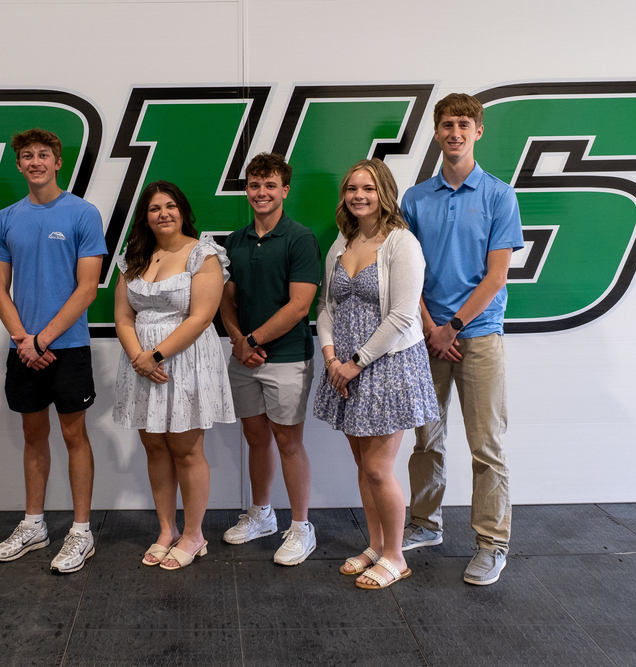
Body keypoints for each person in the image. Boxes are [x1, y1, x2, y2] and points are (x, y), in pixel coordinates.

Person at [401, 93, 524, 586]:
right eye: (447, 124)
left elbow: (496, 277)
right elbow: (405, 277)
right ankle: (426, 524)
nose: (455, 132)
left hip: (478, 338)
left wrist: (452, 328)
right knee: (426, 440)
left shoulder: (499, 195)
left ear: (478, 132)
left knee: (486, 447)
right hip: (426, 336)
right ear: (436, 132)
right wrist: (432, 327)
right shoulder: (414, 199)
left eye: (464, 124)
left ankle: (492, 544)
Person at [313, 159, 439, 589]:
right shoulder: (341, 243)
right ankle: (376, 544)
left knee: (380, 469)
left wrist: (356, 362)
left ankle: (396, 557)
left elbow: (404, 315)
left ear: (383, 192)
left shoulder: (401, 243)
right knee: (364, 466)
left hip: (387, 368)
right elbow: (326, 308)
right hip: (345, 369)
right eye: (351, 188)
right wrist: (332, 359)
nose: (358, 195)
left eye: (367, 188)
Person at [0, 128, 106, 574]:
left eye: (44, 155)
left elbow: (88, 288)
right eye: (27, 156)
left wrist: (42, 339)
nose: (35, 162)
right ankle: (34, 525)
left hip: (67, 348)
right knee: (33, 437)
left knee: (75, 436)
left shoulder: (83, 213)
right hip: (24, 349)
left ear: (58, 162)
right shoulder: (6, 218)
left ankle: (81, 532)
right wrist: (23, 339)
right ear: (18, 165)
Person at [113, 181, 235, 570]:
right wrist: (139, 357)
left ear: (182, 211)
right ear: (144, 217)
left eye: (170, 206)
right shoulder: (133, 256)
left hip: (184, 361)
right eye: (154, 208)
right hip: (141, 364)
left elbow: (201, 317)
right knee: (154, 448)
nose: (163, 214)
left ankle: (194, 534)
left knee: (185, 449)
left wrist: (157, 354)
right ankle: (166, 530)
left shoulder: (204, 253)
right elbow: (122, 315)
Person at [220, 152, 322, 565]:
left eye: (269, 185)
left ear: (284, 190)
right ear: (246, 190)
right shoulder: (235, 240)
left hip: (287, 358)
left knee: (288, 442)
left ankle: (301, 527)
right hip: (244, 359)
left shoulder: (300, 238)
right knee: (256, 438)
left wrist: (252, 339)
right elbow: (226, 300)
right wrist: (238, 340)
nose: (261, 192)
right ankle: (261, 514)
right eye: (254, 185)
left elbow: (300, 306)